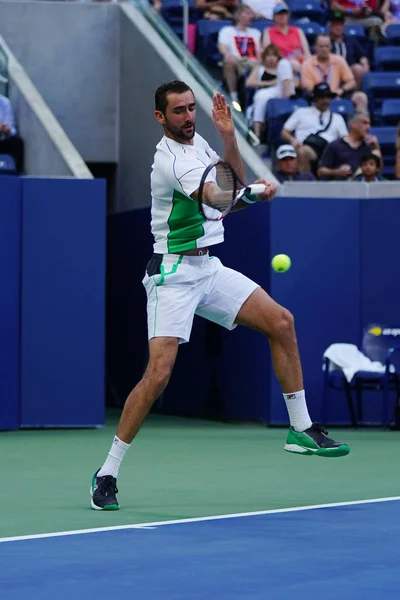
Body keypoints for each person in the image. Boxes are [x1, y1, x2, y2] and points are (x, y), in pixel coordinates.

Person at [90, 80, 350, 510]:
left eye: (192, 108)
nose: (189, 117)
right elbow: (218, 196)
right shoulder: (169, 160)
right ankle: (108, 472)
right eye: (179, 111)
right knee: (158, 375)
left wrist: (229, 137)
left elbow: (233, 184)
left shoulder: (201, 144)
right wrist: (251, 195)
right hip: (172, 273)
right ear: (161, 117)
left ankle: (301, 430)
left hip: (208, 268)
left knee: (281, 321)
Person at [281, 83, 348, 173]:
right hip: (307, 147)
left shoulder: (337, 118)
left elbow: (345, 139)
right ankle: (305, 183)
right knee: (303, 151)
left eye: (328, 97)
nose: (325, 100)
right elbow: (284, 132)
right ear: (315, 98)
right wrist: (293, 140)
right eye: (321, 97)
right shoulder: (301, 112)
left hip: (329, 150)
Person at [245, 44, 295, 140]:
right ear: (264, 57)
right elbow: (248, 83)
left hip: (280, 92)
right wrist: (268, 83)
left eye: (274, 55)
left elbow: (294, 82)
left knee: (285, 65)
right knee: (261, 97)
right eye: (268, 55)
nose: (271, 58)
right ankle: (257, 132)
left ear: (278, 57)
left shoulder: (282, 67)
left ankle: (288, 98)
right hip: (263, 94)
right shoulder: (260, 69)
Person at [218, 5, 261, 110]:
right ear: (237, 15)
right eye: (247, 13)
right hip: (237, 60)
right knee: (228, 61)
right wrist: (227, 54)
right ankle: (233, 96)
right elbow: (222, 46)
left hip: (253, 62)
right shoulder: (227, 30)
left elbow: (260, 51)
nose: (251, 16)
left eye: (252, 13)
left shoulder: (256, 33)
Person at [318, 111, 381, 180]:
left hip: (362, 188)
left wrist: (377, 148)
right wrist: (337, 172)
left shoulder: (369, 147)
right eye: (364, 123)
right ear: (352, 124)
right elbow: (321, 171)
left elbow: (379, 172)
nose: (368, 127)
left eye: (369, 124)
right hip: (339, 188)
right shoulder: (335, 145)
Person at [301, 34, 356, 99]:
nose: (324, 49)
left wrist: (342, 90)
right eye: (321, 46)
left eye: (327, 46)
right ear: (315, 47)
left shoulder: (339, 60)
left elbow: (352, 82)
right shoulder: (307, 64)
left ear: (331, 47)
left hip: (335, 96)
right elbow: (308, 88)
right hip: (316, 98)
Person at [262, 4, 311, 76]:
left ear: (288, 16)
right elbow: (268, 53)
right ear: (274, 17)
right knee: (292, 65)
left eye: (284, 13)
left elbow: (307, 53)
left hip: (300, 63)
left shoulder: (298, 31)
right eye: (279, 14)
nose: (282, 16)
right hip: (280, 64)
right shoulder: (268, 32)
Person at [329, 11, 370, 91]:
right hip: (331, 69)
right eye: (335, 25)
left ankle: (356, 92)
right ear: (330, 27)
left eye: (340, 25)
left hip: (349, 70)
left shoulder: (351, 40)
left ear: (344, 27)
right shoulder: (326, 41)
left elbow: (362, 55)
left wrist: (365, 64)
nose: (338, 27)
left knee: (358, 68)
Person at [0, 93, 24, 174]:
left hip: (1, 138)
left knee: (16, 142)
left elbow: (12, 130)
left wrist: (7, 130)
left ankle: (16, 174)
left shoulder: (4, 102)